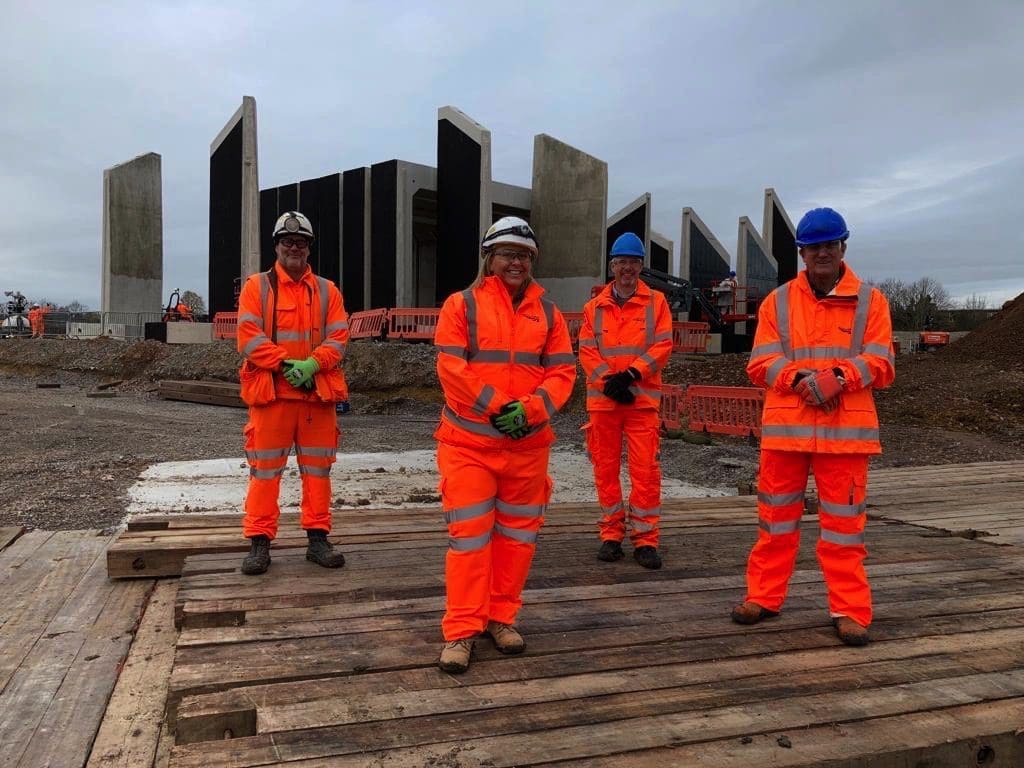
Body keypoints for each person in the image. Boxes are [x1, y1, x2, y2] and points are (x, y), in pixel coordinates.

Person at [731, 207, 895, 646]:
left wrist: (839, 378)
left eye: (830, 244)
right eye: (814, 246)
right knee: (774, 522)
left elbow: (881, 361)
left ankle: (850, 609)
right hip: (786, 432)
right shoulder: (778, 302)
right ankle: (763, 597)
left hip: (845, 438)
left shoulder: (872, 301)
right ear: (802, 252)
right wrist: (799, 379)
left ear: (843, 246)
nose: (822, 252)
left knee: (844, 530)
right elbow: (761, 362)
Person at [433, 216, 576, 673]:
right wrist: (498, 407)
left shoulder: (549, 314)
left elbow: (563, 373)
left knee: (516, 541)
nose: (516, 262)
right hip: (469, 447)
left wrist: (531, 411)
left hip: (528, 449)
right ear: (489, 258)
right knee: (470, 542)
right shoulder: (462, 305)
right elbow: (451, 369)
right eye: (508, 254)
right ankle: (461, 631)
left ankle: (501, 617)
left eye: (524, 255)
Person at [235, 211, 350, 575]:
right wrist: (289, 367)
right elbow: (249, 338)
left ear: (309, 248)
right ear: (277, 246)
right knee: (265, 473)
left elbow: (339, 338)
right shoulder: (257, 287)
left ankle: (317, 540)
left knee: (318, 472)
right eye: (288, 242)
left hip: (316, 398)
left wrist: (313, 366)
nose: (294, 248)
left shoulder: (328, 290)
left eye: (301, 243)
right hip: (273, 398)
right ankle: (259, 543)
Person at [578, 232, 673, 570]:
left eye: (634, 262)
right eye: (622, 262)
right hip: (604, 404)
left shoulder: (656, 303)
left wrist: (631, 375)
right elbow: (587, 350)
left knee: (645, 472)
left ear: (641, 266)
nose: (628, 268)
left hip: (641, 402)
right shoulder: (593, 308)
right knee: (605, 471)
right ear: (612, 266)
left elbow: (662, 345)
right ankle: (611, 535)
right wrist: (609, 381)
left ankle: (646, 540)